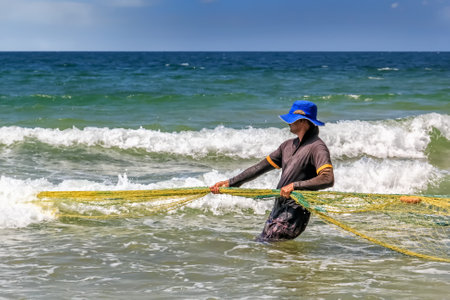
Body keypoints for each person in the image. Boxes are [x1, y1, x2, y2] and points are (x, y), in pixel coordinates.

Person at [210, 100, 334, 241]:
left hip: (295, 214)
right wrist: (230, 183)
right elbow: (259, 168)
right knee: (268, 249)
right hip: (278, 211)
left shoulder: (317, 147)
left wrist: (295, 185)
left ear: (304, 122)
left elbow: (327, 178)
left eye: (292, 119)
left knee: (264, 245)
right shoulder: (287, 146)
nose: (289, 122)